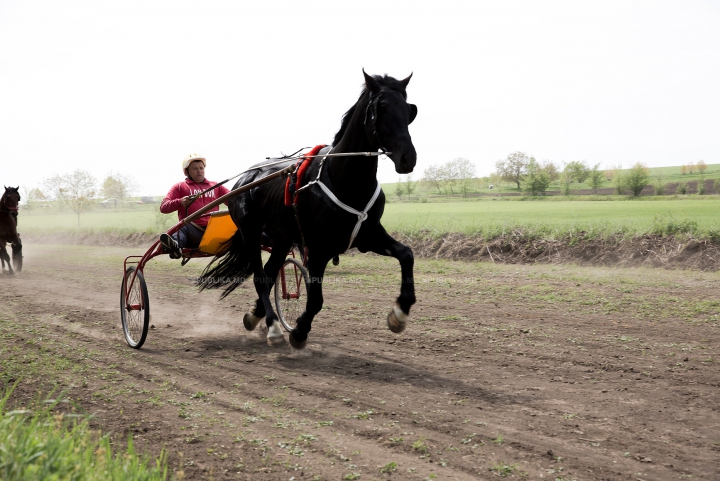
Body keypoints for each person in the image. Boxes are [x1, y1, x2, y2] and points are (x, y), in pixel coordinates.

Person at [159, 154, 230, 258]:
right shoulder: (179, 187)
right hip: (194, 233)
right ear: (186, 172)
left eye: (201, 168)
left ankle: (261, 237)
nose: (199, 171)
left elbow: (234, 200)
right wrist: (180, 202)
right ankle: (174, 247)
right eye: (194, 169)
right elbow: (163, 207)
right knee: (182, 227)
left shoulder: (216, 186)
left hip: (215, 231)